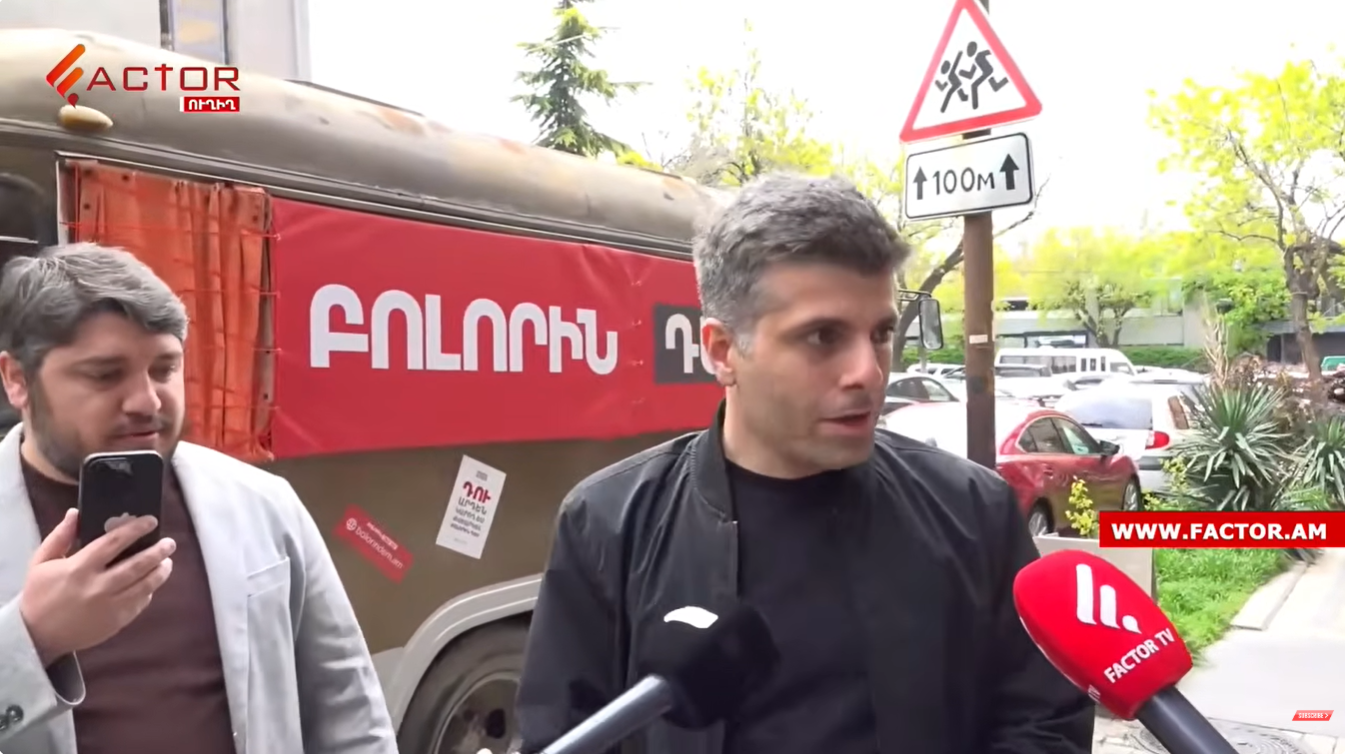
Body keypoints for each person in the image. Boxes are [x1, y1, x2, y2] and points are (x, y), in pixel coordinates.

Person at [515, 173, 1094, 754]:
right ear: (722, 351)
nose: (868, 371)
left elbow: (1044, 722)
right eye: (823, 337)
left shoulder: (972, 511)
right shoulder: (608, 525)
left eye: (881, 333)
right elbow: (561, 733)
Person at [0, 243, 397, 754]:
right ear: (17, 380)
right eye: (105, 374)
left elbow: (352, 713)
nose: (147, 400)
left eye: (164, 369)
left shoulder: (263, 504)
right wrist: (34, 639)